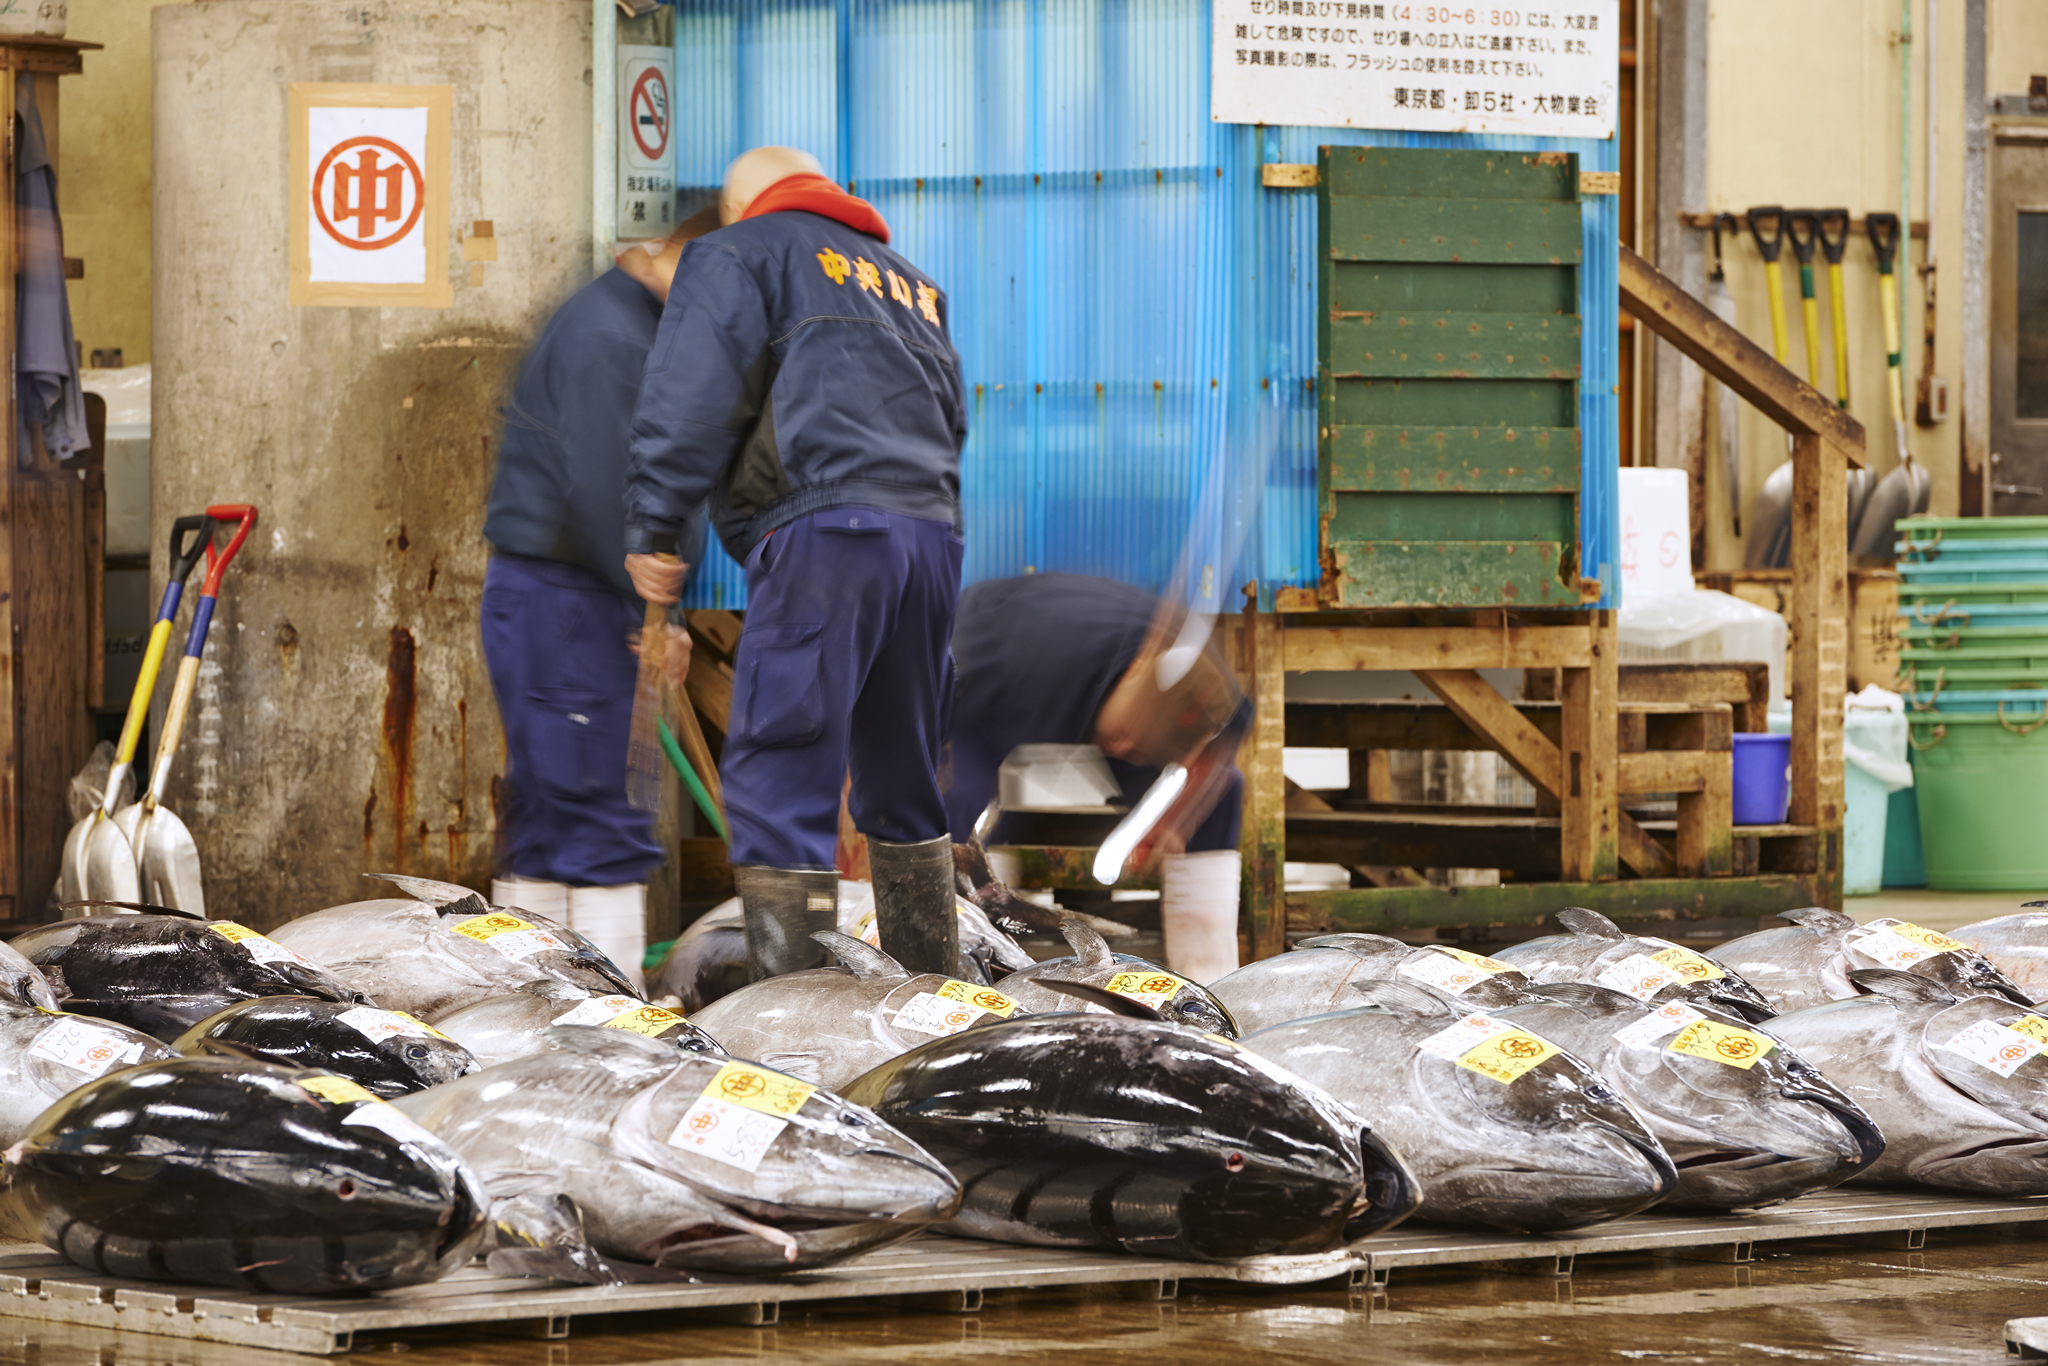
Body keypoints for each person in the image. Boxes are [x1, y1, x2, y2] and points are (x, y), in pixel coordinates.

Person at [623, 147, 968, 979]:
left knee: (783, 772)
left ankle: (799, 1018)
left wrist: (654, 525)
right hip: (931, 537)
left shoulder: (742, 251)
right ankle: (930, 1012)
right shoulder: (910, 282)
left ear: (747, 206)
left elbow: (689, 394)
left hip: (826, 534)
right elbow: (951, 418)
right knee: (904, 774)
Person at [479, 209, 716, 986]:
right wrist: (649, 594)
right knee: (591, 812)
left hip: (569, 595)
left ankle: (532, 1006)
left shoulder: (641, 327)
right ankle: (611, 1031)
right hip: (566, 600)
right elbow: (612, 489)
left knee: (552, 815)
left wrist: (666, 615)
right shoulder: (611, 335)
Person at [945, 573, 1248, 982]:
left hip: (1088, 680)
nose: (1125, 751)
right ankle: (964, 969)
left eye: (1141, 751)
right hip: (992, 664)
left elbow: (1225, 737)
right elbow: (944, 766)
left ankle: (1210, 983)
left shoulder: (1193, 670)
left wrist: (1173, 819)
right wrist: (972, 871)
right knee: (956, 813)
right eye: (1125, 740)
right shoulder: (1016, 672)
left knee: (1226, 791)